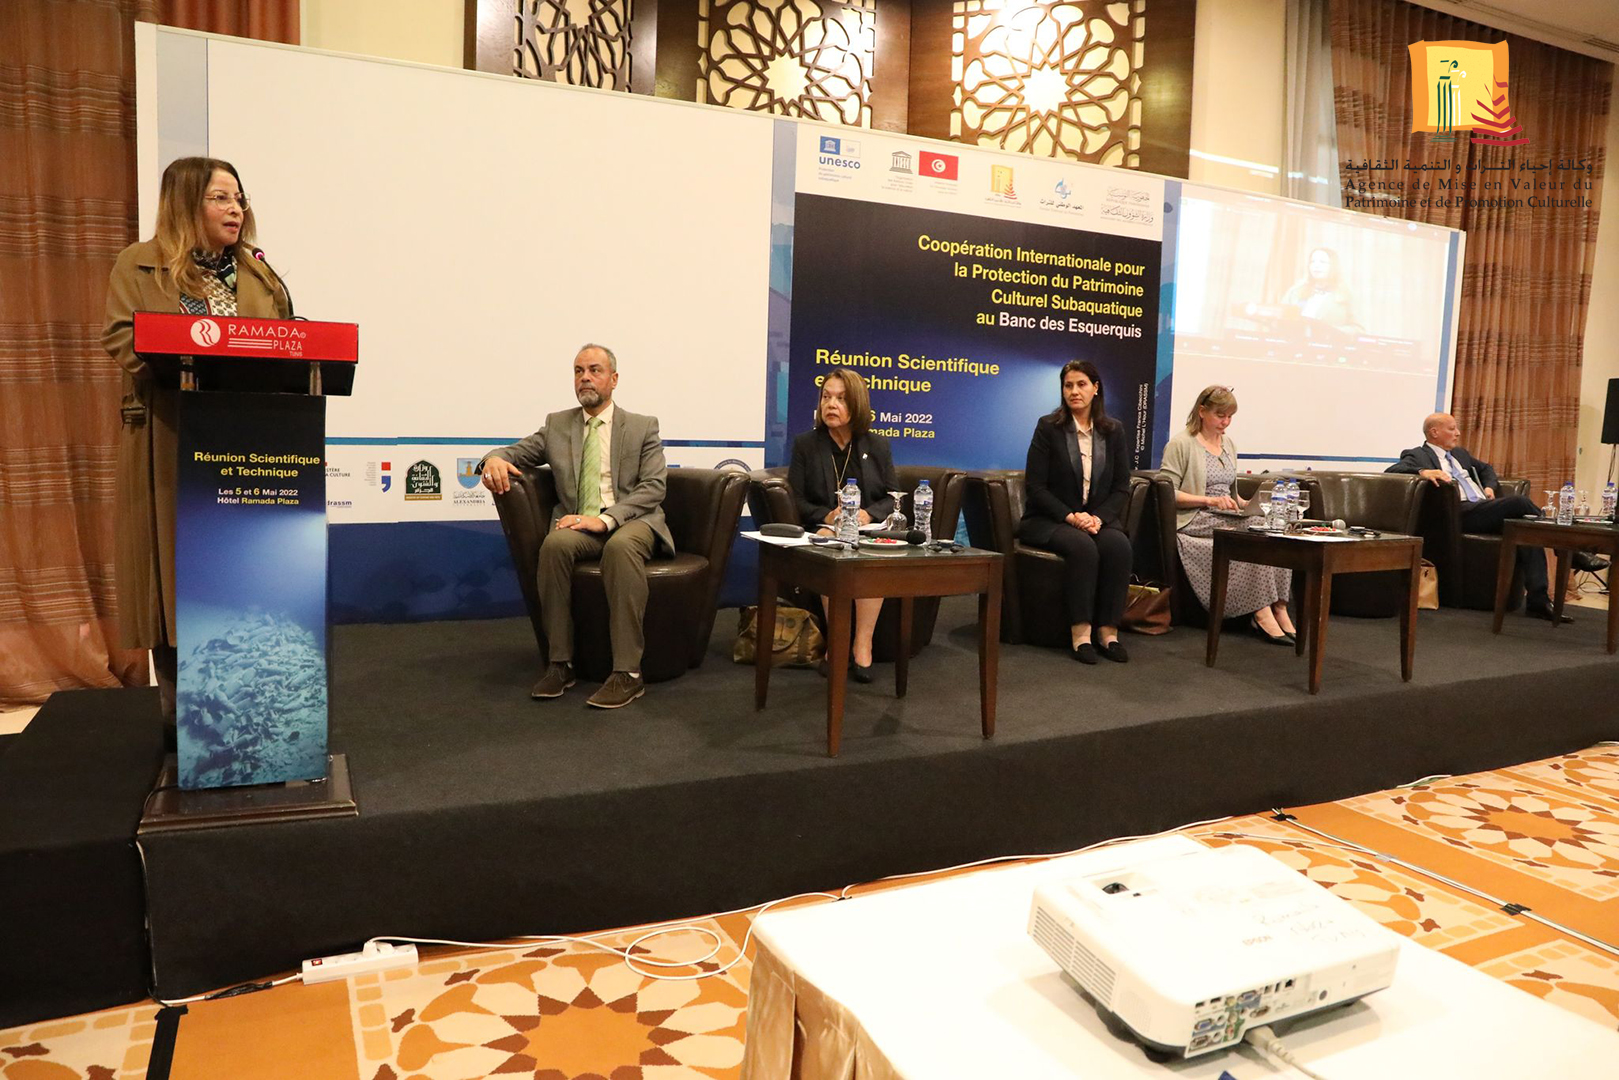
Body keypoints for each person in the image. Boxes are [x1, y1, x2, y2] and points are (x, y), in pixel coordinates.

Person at [102, 157, 291, 729]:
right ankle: (184, 725)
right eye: (220, 198)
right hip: (170, 436)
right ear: (186, 202)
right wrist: (182, 361)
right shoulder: (139, 263)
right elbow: (122, 336)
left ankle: (256, 713)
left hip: (247, 441)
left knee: (241, 578)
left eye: (239, 198)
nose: (236, 209)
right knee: (177, 581)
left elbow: (287, 340)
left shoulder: (259, 272)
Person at [482, 344, 672, 708]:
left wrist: (604, 520)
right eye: (578, 371)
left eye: (595, 370)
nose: (585, 378)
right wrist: (493, 459)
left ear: (613, 379)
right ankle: (560, 663)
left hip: (632, 521)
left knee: (620, 547)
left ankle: (628, 673)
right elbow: (514, 452)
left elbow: (653, 487)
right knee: (554, 545)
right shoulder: (558, 425)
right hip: (579, 522)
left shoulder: (642, 426)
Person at [1387, 413, 1573, 622]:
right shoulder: (1417, 455)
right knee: (1520, 503)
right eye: (1452, 429)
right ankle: (1564, 543)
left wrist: (1489, 487)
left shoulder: (1460, 454)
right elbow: (1393, 470)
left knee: (1526, 528)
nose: (1458, 433)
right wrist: (1423, 471)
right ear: (1434, 432)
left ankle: (1538, 601)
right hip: (1458, 513)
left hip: (1481, 508)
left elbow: (1487, 469)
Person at [1160, 386, 1298, 643]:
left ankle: (1279, 605)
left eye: (1230, 416)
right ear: (1202, 411)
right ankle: (1261, 611)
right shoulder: (1181, 444)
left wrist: (1250, 503)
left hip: (1223, 514)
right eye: (1220, 415)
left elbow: (1231, 493)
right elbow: (1168, 492)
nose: (1225, 422)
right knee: (1253, 532)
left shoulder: (1229, 444)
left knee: (1272, 526)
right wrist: (1208, 500)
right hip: (1195, 516)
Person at [787, 368, 899, 683]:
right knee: (831, 545)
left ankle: (863, 643)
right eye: (826, 397)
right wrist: (827, 516)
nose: (831, 405)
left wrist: (868, 515)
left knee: (872, 553)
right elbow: (795, 498)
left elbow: (892, 496)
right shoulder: (806, 444)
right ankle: (837, 641)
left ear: (857, 404)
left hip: (867, 530)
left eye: (840, 398)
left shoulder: (877, 445)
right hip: (825, 528)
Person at [1019, 360, 1133, 663]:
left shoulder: (1113, 431)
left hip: (1095, 519)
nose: (1074, 391)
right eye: (1068, 385)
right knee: (1083, 547)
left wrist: (1098, 518)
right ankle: (1081, 634)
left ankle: (1108, 633)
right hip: (1050, 519)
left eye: (1081, 384)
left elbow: (1121, 487)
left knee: (1118, 546)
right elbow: (1035, 487)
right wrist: (1072, 517)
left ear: (1095, 388)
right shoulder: (1049, 427)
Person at [1280, 247, 1360, 333]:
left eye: (1322, 262)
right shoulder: (1295, 291)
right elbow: (1280, 320)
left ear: (1333, 266)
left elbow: (1358, 329)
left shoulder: (1345, 295)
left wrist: (1331, 331)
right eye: (1312, 262)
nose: (1316, 265)